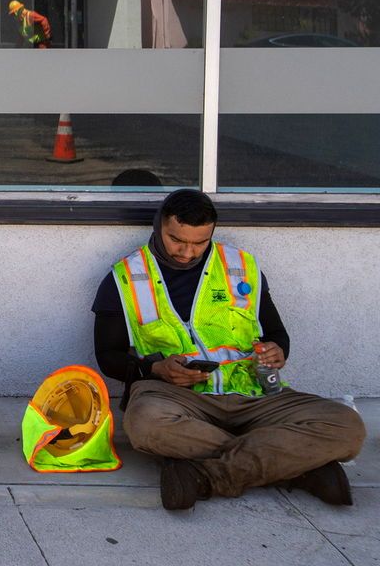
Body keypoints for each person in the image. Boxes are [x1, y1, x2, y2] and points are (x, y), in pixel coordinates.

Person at [91, 189, 365, 510]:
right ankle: (296, 469)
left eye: (199, 242)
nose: (188, 252)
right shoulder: (125, 277)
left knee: (348, 427)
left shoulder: (240, 267)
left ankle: (206, 474)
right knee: (143, 423)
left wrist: (278, 350)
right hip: (178, 400)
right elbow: (107, 356)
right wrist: (156, 369)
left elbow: (276, 332)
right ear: (158, 227)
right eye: (176, 240)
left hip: (255, 395)